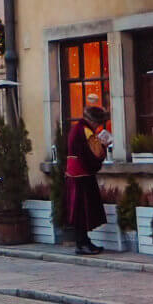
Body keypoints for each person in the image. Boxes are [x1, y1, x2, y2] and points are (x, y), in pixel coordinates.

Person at [65, 105, 111, 255]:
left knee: (80, 211)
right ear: (93, 121)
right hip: (82, 176)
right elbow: (94, 154)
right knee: (83, 211)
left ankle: (84, 241)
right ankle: (82, 243)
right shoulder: (86, 131)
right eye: (98, 123)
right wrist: (103, 146)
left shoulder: (76, 128)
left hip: (75, 175)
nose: (98, 126)